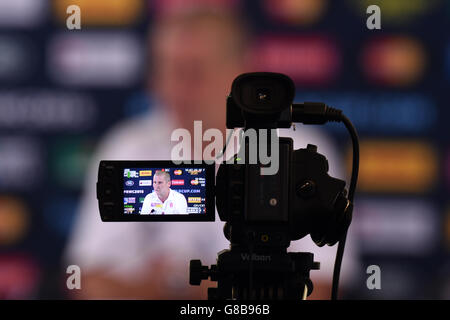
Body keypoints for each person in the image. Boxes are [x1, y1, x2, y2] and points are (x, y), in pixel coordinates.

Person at [64, 7, 360, 300]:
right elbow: (88, 281)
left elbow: (320, 289)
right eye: (166, 70)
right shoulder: (128, 146)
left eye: (194, 72)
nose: (176, 89)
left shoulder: (300, 152)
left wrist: (174, 286)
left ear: (243, 73)